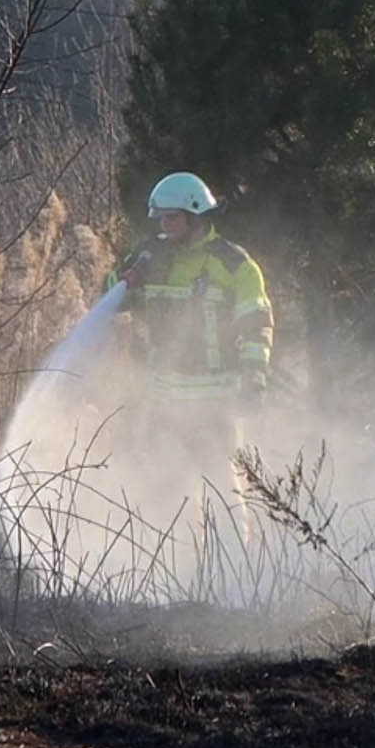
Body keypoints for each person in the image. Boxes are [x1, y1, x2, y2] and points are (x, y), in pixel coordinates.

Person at [112, 172, 273, 501]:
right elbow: (111, 299)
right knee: (164, 495)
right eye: (160, 218)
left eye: (172, 217)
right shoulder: (153, 259)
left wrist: (254, 381)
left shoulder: (234, 265)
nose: (164, 225)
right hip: (162, 403)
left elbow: (256, 327)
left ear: (195, 213)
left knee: (224, 493)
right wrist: (126, 275)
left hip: (214, 404)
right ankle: (175, 552)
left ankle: (233, 553)